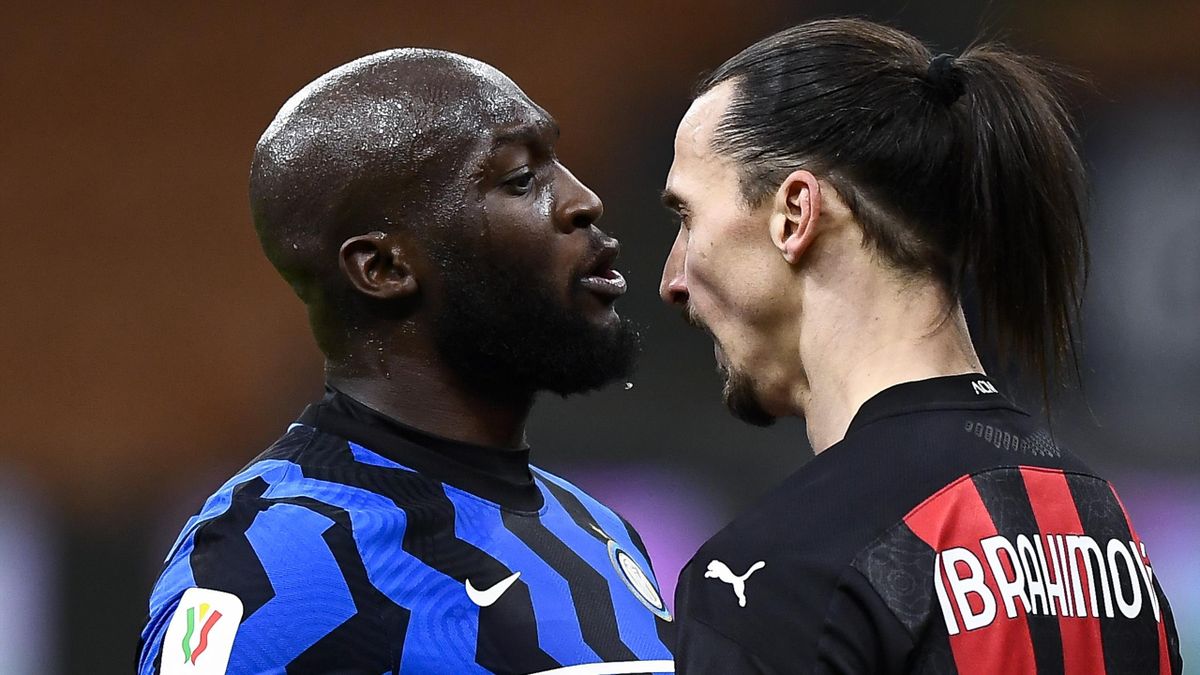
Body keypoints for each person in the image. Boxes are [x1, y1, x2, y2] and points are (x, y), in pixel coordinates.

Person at [659, 18, 1182, 675]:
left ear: (795, 214)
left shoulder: (778, 575)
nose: (672, 280)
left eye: (688, 218)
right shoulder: (1106, 533)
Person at [138, 49, 675, 675]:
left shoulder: (597, 529)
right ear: (385, 268)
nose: (584, 201)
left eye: (558, 161)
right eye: (521, 179)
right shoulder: (271, 561)